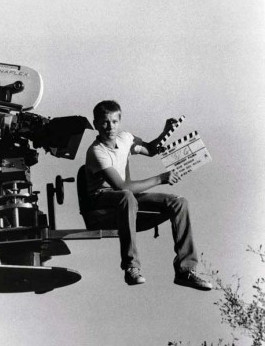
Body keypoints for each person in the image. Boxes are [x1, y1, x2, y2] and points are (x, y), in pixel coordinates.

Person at [84, 100, 212, 290]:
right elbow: (121, 186)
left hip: (127, 198)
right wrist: (161, 178)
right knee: (126, 196)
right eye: (104, 122)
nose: (110, 127)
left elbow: (151, 149)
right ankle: (131, 267)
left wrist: (165, 131)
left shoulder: (125, 139)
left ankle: (185, 270)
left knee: (179, 202)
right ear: (96, 124)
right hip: (102, 205)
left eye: (114, 121)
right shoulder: (96, 152)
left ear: (120, 122)